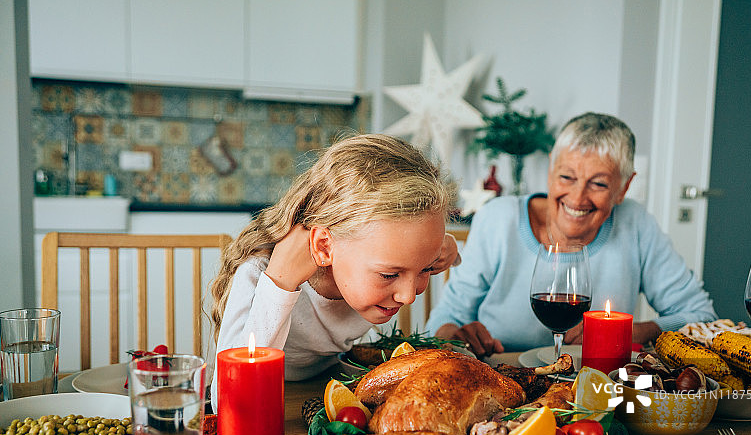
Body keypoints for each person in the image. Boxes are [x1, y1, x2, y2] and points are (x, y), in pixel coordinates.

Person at [426, 112, 717, 356]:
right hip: (504, 384)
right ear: (551, 169)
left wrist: (639, 330)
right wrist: (453, 334)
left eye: (599, 184)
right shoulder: (499, 219)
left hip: (594, 392)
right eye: (567, 177)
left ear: (624, 187)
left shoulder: (636, 224)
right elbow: (441, 322)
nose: (578, 198)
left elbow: (702, 317)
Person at [209, 134, 458, 411]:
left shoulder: (389, 254)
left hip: (331, 388)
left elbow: (431, 250)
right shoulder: (261, 272)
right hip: (273, 402)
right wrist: (280, 284)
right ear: (325, 247)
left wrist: (443, 248)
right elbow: (226, 401)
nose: (409, 296)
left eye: (425, 268)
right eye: (389, 275)